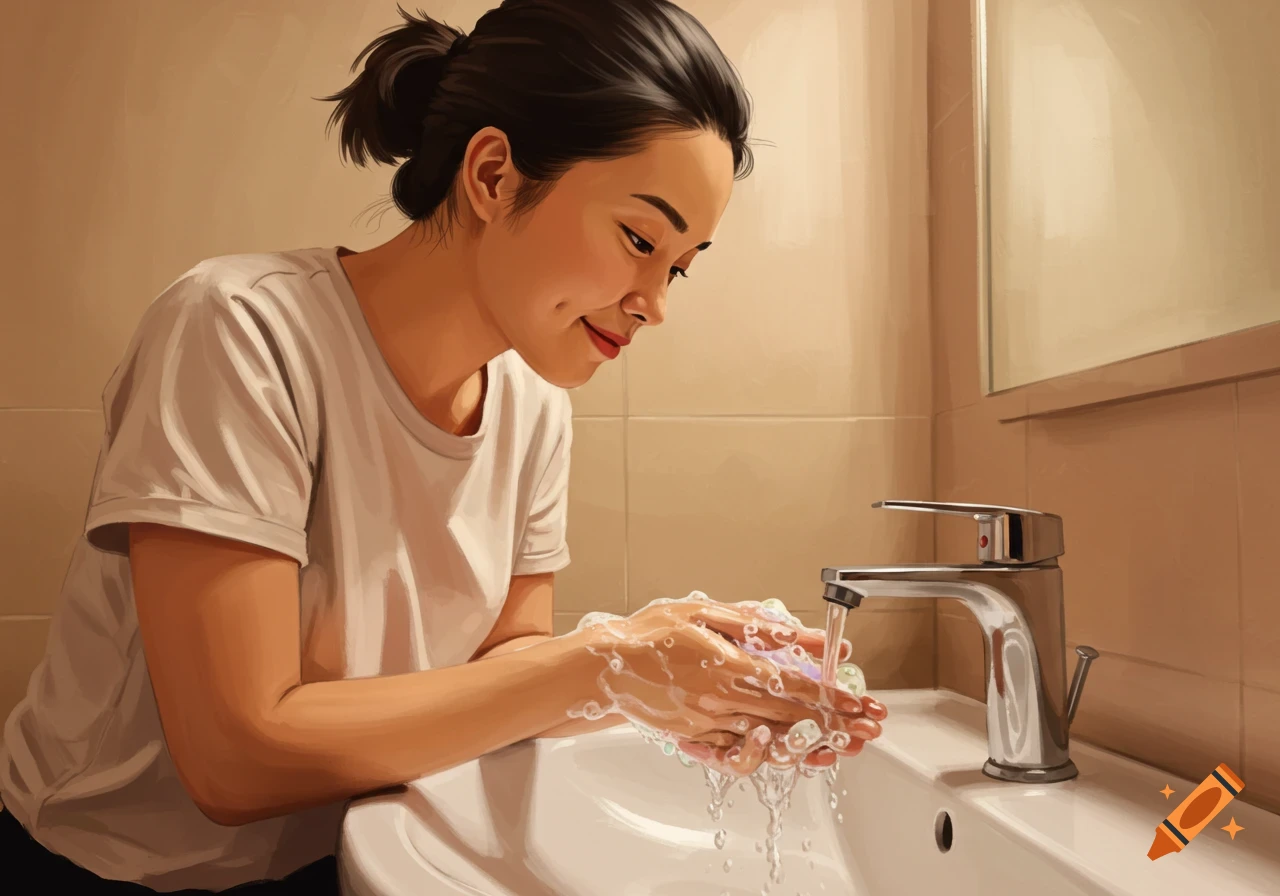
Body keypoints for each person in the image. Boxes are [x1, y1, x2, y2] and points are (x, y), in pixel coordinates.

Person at [0, 1, 886, 893]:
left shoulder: (536, 400)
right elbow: (236, 759)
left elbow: (503, 671)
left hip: (348, 841)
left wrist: (674, 682)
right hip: (109, 871)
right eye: (638, 238)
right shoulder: (241, 331)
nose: (656, 301)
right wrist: (603, 662)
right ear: (495, 174)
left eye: (681, 264)